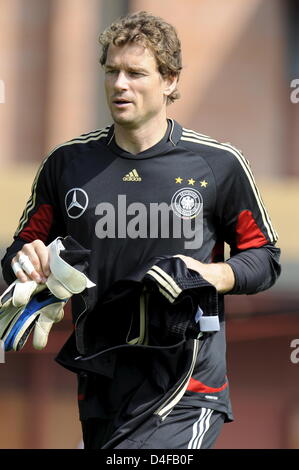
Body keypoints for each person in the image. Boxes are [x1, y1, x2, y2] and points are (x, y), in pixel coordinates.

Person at [1, 11, 281, 449]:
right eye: (111, 71)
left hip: (186, 385)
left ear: (169, 80)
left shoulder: (218, 164)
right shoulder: (67, 164)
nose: (119, 84)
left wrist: (210, 274)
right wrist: (27, 263)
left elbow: (264, 257)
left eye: (135, 73)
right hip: (100, 378)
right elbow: (20, 249)